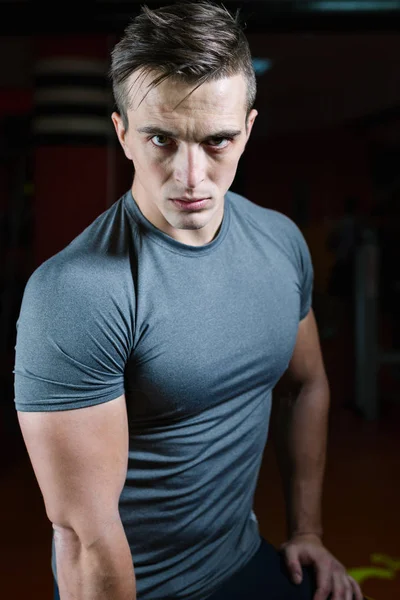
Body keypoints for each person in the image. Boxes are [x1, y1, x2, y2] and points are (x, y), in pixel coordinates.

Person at [14, 2, 365, 599]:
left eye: (217, 140)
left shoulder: (280, 241)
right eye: (161, 139)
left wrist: (307, 530)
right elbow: (83, 535)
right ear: (122, 133)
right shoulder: (76, 293)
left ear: (248, 130)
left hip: (244, 557)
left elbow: (305, 384)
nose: (191, 175)